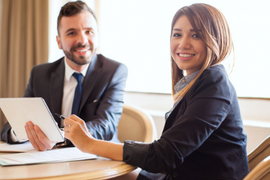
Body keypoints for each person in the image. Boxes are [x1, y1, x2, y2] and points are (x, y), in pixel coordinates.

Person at [62, 3, 250, 180]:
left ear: (216, 40)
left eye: (195, 35)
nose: (183, 44)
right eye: (177, 34)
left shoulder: (214, 83)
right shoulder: (197, 82)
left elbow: (164, 156)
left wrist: (90, 144)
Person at [1, 1, 128, 151]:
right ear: (59, 41)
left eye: (89, 31)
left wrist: (59, 137)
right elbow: (13, 125)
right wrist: (24, 133)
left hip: (97, 158)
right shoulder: (40, 74)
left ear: (98, 36)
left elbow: (106, 126)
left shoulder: (114, 71)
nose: (83, 40)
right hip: (48, 160)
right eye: (72, 33)